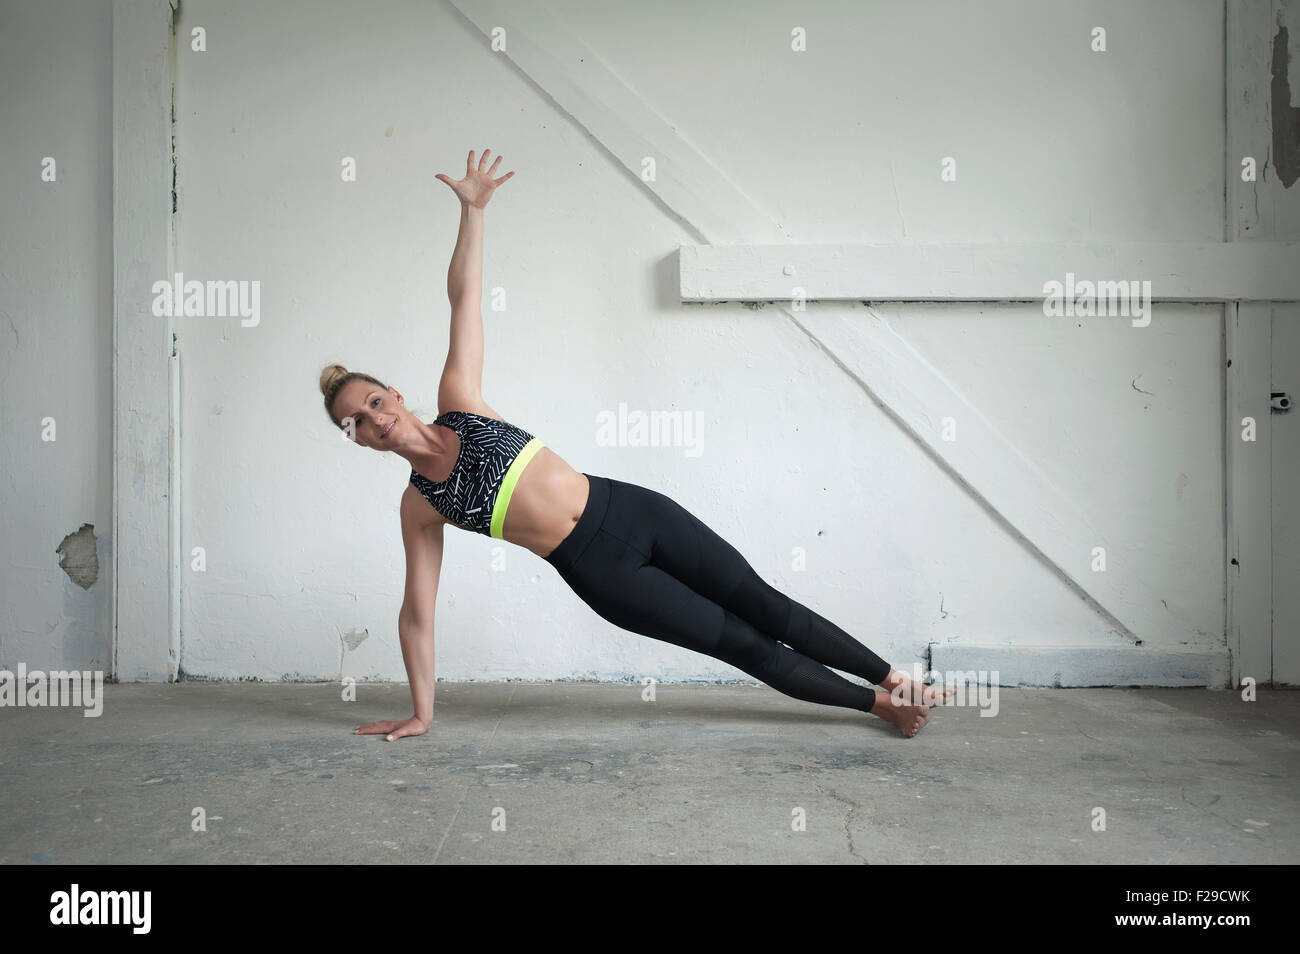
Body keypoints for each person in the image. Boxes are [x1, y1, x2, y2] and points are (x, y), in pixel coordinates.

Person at [322, 149, 950, 742]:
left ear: (396, 396)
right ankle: (882, 707)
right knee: (742, 643)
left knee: (766, 604)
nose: (374, 419)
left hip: (632, 510)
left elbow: (464, 299)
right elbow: (417, 613)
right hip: (602, 572)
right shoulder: (420, 503)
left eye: (374, 401)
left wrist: (473, 212)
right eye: (357, 422)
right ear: (359, 442)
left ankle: (893, 677)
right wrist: (422, 712)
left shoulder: (461, 401)